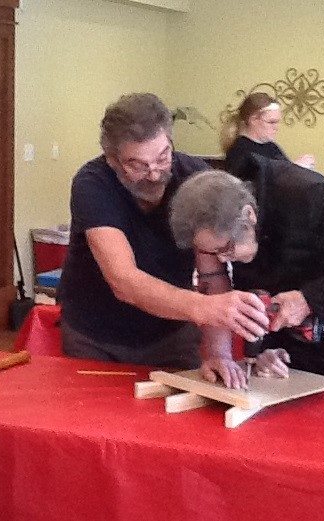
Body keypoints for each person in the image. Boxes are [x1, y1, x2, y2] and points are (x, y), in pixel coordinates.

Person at [58, 93, 269, 370]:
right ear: (112, 159)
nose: (155, 174)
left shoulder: (196, 178)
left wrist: (218, 353)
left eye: (163, 157)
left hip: (172, 333)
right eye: (137, 165)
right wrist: (204, 308)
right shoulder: (93, 184)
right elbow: (124, 280)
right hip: (95, 336)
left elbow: (212, 274)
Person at [169, 160, 324, 391]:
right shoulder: (221, 220)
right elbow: (260, 293)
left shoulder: (309, 195)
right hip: (312, 349)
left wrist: (308, 300)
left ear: (249, 216)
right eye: (212, 253)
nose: (223, 260)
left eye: (226, 249)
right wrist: (265, 351)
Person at [221, 92, 315, 176]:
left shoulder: (271, 147)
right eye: (271, 122)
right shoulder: (241, 152)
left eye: (277, 122)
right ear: (253, 120)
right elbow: (262, 182)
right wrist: (295, 168)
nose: (276, 127)